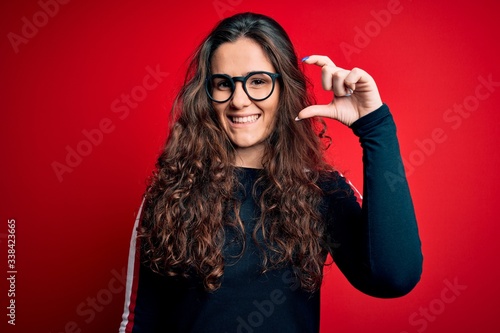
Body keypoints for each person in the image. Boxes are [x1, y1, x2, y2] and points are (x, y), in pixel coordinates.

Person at [119, 12, 423, 333]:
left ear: (284, 89)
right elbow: (140, 320)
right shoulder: (172, 192)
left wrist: (374, 126)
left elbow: (394, 277)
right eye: (224, 84)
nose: (239, 100)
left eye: (258, 82)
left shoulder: (320, 190)